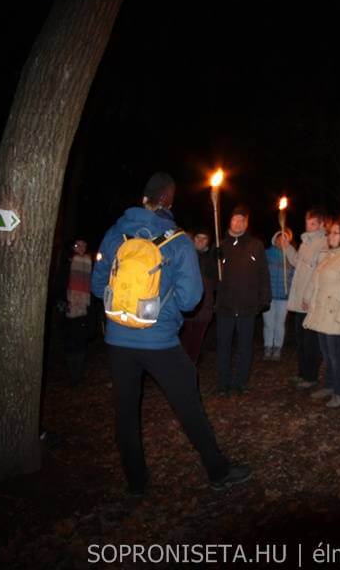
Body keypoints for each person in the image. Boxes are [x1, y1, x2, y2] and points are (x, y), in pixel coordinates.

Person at [91, 172, 250, 494]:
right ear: (168, 201)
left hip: (118, 338)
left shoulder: (112, 235)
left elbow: (97, 286)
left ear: (144, 198)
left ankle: (136, 481)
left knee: (125, 409)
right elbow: (192, 298)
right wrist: (165, 311)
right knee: (188, 401)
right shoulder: (178, 241)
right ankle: (218, 471)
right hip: (159, 339)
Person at [302, 217, 340, 408]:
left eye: (335, 233)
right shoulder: (329, 255)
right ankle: (329, 385)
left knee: (335, 355)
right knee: (326, 353)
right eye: (330, 233)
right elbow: (316, 281)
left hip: (335, 314)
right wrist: (308, 298)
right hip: (322, 312)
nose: (331, 236)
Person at [214, 204, 271, 395]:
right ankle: (223, 382)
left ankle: (241, 381)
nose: (239, 223)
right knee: (224, 347)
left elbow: (263, 273)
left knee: (245, 347)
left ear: (247, 224)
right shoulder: (220, 245)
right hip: (225, 306)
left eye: (243, 220)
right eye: (235, 219)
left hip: (247, 306)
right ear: (230, 221)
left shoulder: (255, 245)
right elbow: (210, 277)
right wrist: (211, 259)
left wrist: (264, 298)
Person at [283, 207, 329, 389]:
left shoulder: (323, 244)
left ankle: (311, 376)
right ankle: (302, 373)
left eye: (313, 224)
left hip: (310, 302)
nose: (309, 227)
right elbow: (297, 263)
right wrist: (287, 247)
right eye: (307, 223)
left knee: (310, 341)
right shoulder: (305, 243)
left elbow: (319, 274)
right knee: (300, 339)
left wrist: (311, 297)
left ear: (320, 225)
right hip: (299, 299)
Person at [180, 228, 217, 364]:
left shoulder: (212, 258)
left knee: (196, 340)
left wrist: (218, 260)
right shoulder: (185, 254)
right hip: (186, 306)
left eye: (204, 238)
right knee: (184, 339)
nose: (200, 241)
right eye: (197, 238)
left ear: (209, 242)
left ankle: (191, 366)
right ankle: (181, 367)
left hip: (204, 306)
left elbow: (217, 281)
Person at [63, 238, 92, 385]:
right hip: (69, 307)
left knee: (81, 341)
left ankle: (78, 375)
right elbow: (61, 282)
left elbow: (92, 283)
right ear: (73, 247)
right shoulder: (67, 262)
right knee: (70, 341)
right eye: (77, 245)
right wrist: (64, 301)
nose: (81, 247)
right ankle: (71, 374)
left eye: (83, 245)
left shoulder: (89, 262)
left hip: (84, 308)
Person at [263, 228, 295, 361]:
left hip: (284, 296)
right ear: (274, 239)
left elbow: (294, 275)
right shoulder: (266, 254)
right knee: (268, 323)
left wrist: (292, 291)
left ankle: (277, 348)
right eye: (279, 238)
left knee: (279, 323)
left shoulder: (291, 256)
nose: (281, 241)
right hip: (269, 295)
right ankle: (267, 347)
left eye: (285, 239)